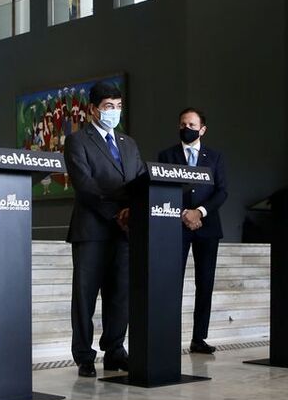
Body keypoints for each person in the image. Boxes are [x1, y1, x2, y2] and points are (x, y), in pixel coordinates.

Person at [64, 82, 146, 377]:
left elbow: (139, 180)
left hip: (124, 232)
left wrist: (131, 212)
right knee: (85, 296)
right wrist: (117, 214)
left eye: (118, 106)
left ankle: (115, 350)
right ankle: (84, 355)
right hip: (92, 230)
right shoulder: (77, 141)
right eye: (108, 107)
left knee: (120, 294)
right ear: (93, 109)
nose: (114, 112)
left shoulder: (129, 143)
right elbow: (85, 186)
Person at [157, 108, 228, 355]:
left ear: (202, 129)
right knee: (171, 282)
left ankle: (199, 338)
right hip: (175, 226)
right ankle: (168, 335)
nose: (186, 128)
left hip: (208, 227)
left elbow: (222, 191)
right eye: (183, 124)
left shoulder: (215, 157)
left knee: (205, 283)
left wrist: (199, 212)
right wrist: (184, 213)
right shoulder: (166, 155)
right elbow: (161, 187)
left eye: (192, 124)